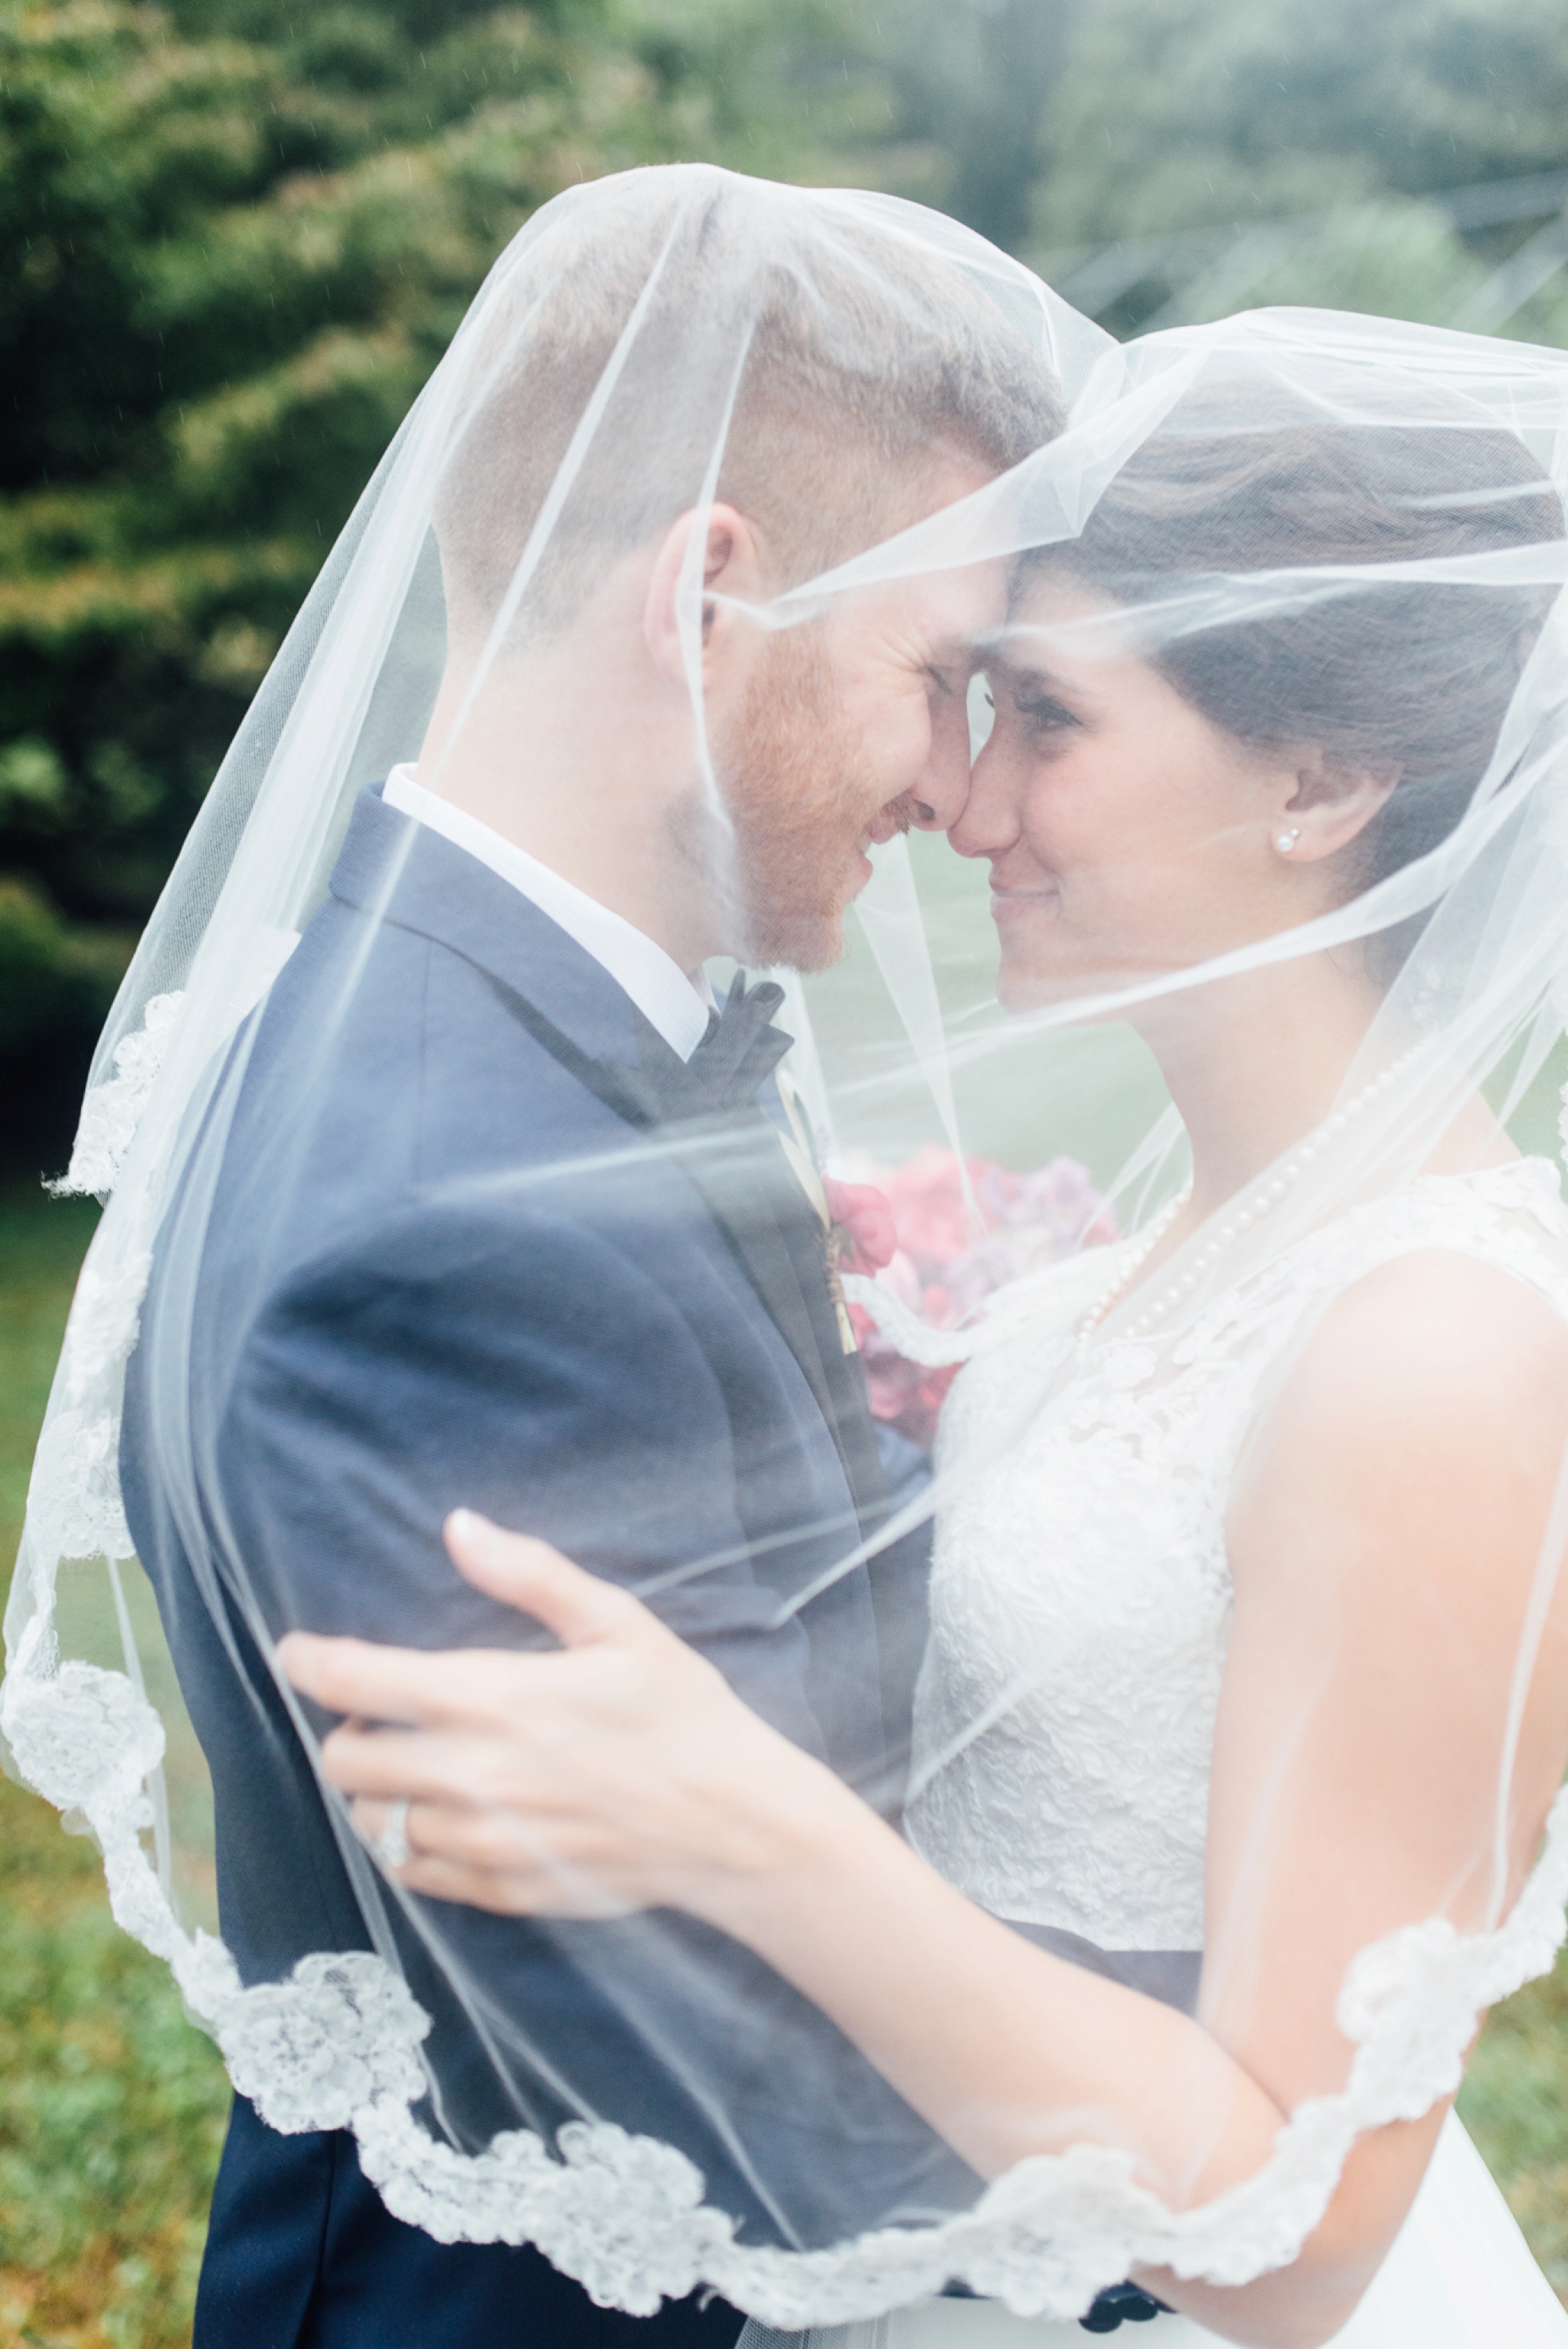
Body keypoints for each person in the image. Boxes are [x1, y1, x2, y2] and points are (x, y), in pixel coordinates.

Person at [281, 369, 1568, 2347]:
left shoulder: (1435, 1350)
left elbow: (1297, 2235)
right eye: (974, 709)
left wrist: (755, 1827)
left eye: (1046, 718)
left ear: (1319, 784)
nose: (964, 800)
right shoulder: (1125, 1275)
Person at [90, 172, 1061, 2347]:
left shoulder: (483, 1029)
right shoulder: (441, 1222)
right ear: (708, 591)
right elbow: (704, 2086)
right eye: (942, 676)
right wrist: (1225, 2136)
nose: (959, 784)